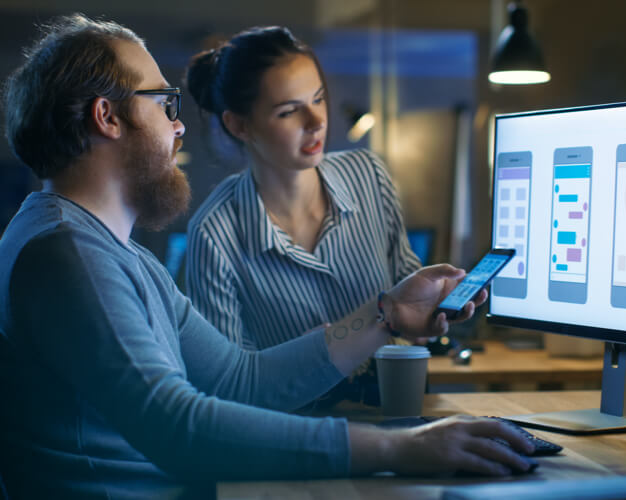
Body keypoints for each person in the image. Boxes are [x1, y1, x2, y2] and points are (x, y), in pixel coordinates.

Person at [0, 14, 535, 499]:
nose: (179, 125)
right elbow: (177, 428)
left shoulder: (114, 253)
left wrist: (388, 313)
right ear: (107, 117)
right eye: (166, 105)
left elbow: (241, 379)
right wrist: (400, 449)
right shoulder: (67, 253)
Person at [183, 26, 419, 404]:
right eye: (289, 111)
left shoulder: (369, 175)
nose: (316, 122)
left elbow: (405, 279)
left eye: (319, 99)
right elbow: (227, 388)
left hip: (397, 407)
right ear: (238, 124)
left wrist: (434, 302)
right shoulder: (215, 235)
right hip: (298, 436)